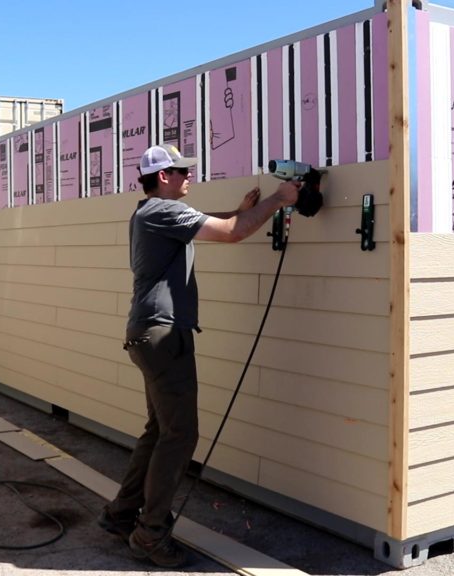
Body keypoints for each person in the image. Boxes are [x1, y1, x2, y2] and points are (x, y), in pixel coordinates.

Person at [97, 144, 300, 567]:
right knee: (180, 435)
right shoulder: (162, 212)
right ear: (163, 176)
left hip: (149, 334)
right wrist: (280, 200)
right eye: (182, 171)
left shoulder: (152, 213)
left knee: (159, 431)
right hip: (164, 336)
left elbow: (221, 223)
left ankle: (121, 514)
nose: (190, 176)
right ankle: (150, 535)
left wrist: (246, 207)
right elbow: (232, 233)